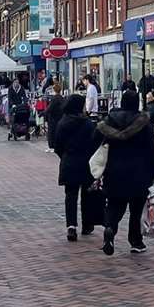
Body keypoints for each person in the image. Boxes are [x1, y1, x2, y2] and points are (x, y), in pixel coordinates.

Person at [96, 88, 154, 256]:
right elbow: (152, 148)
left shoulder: (108, 122)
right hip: (139, 171)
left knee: (114, 205)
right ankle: (136, 241)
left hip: (114, 171)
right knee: (136, 208)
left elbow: (99, 145)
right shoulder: (143, 123)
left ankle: (110, 228)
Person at [55, 94, 100, 242]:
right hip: (85, 163)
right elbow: (94, 144)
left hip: (69, 162)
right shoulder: (87, 124)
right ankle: (87, 224)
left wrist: (65, 156)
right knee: (87, 195)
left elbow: (57, 146)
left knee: (70, 195)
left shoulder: (62, 123)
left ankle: (71, 226)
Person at [44, 80, 66, 154]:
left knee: (51, 132)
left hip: (53, 118)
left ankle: (52, 146)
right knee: (56, 132)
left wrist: (43, 113)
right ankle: (55, 146)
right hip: (59, 117)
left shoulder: (54, 98)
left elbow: (50, 108)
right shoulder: (61, 98)